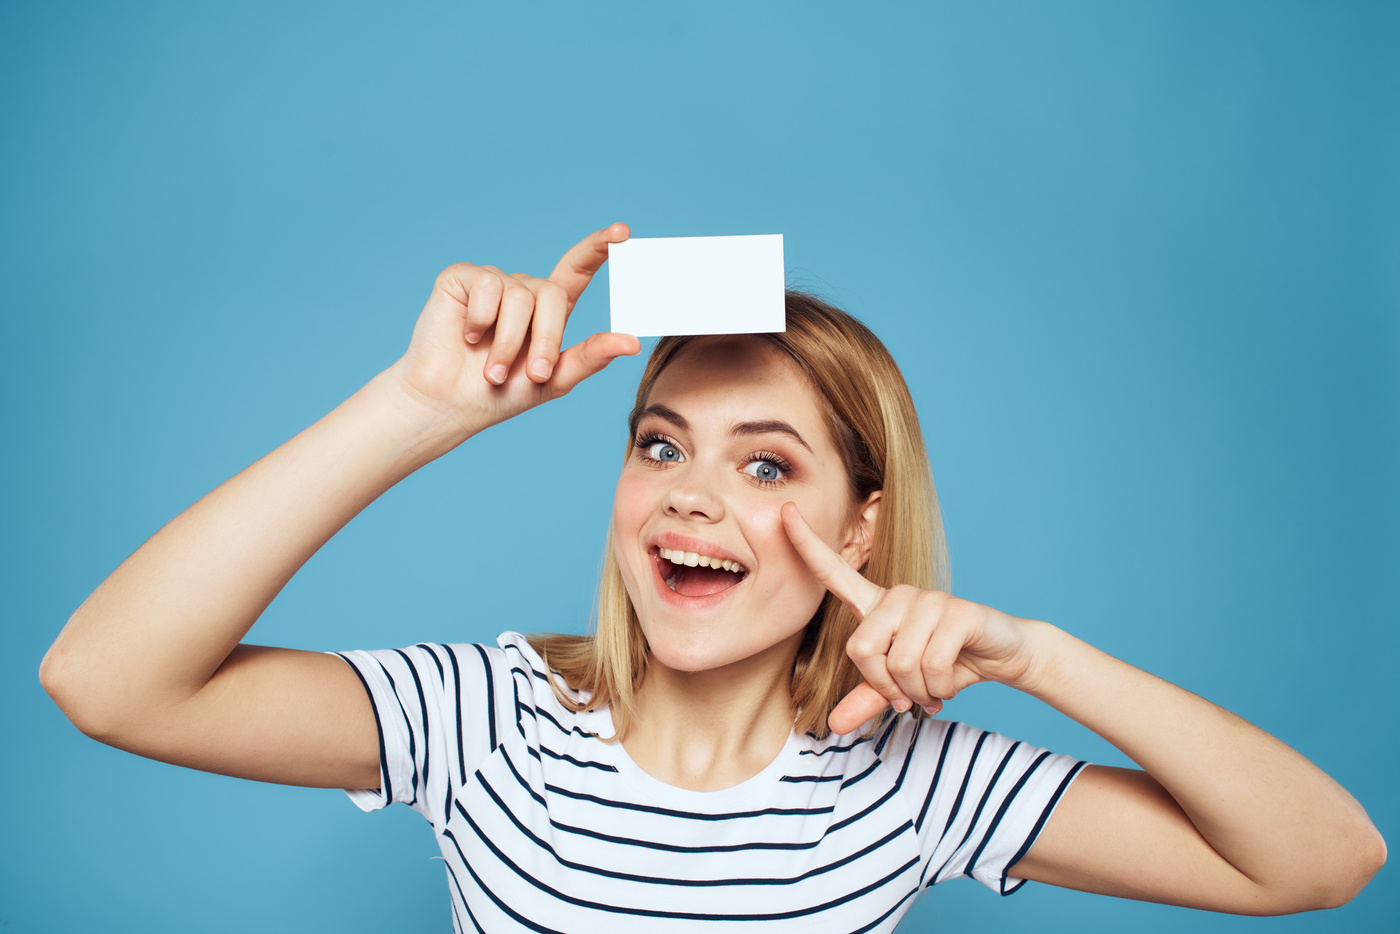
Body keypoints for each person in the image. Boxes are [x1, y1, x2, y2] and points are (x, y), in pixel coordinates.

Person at [41, 224, 1384, 931]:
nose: (691, 490)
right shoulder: (488, 718)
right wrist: (415, 405)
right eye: (662, 443)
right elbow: (104, 680)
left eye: (766, 465)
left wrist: (1039, 656)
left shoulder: (918, 780)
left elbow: (1325, 861)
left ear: (862, 528)